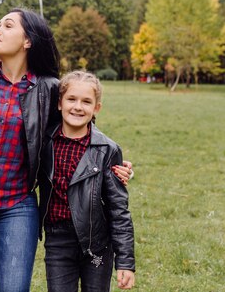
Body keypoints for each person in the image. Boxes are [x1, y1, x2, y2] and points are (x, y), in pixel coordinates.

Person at [0, 9, 134, 292]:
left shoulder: (49, 90)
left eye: (7, 26)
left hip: (16, 204)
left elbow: (77, 131)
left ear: (28, 41)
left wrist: (112, 163)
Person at [39, 71, 136, 292]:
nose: (78, 107)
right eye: (71, 99)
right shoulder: (45, 143)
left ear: (96, 108)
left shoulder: (106, 150)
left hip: (97, 243)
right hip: (58, 240)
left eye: (86, 102)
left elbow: (119, 209)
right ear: (59, 103)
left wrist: (126, 262)